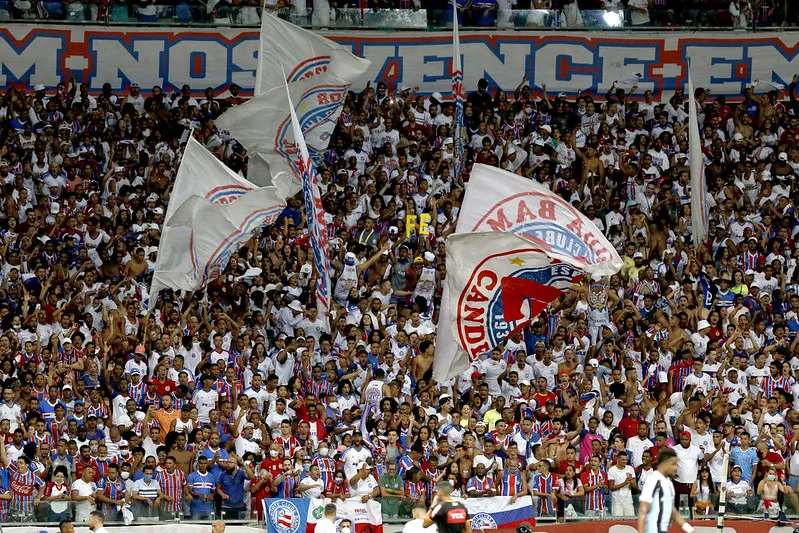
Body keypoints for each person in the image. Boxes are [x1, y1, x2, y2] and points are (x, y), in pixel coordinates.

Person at [638, 448, 694, 533]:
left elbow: (672, 512)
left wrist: (691, 530)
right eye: (673, 464)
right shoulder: (653, 480)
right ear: (664, 463)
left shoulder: (668, 483)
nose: (676, 468)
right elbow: (643, 509)